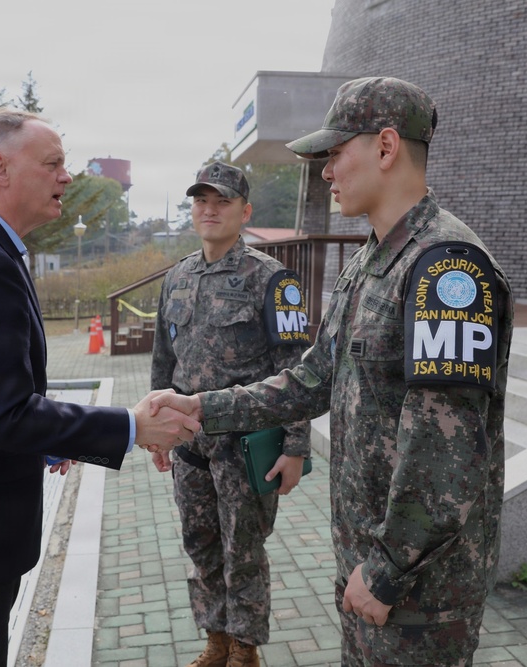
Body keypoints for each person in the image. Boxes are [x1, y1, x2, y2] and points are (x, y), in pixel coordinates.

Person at [153, 77, 514, 666]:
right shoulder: (372, 261)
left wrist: (388, 568)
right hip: (367, 560)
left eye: (335, 153)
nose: (325, 172)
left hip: (416, 588)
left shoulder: (446, 271)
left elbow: (444, 455)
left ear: (386, 146)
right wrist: (202, 409)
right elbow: (313, 377)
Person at [0, 108, 199, 667]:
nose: (67, 176)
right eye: (52, 163)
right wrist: (132, 425)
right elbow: (4, 415)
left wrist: (55, 439)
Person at [150, 161, 311, 667]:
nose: (210, 210)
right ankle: (215, 639)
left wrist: (295, 448)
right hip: (191, 448)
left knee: (244, 551)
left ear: (245, 211)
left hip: (247, 448)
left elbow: (297, 373)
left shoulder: (274, 280)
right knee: (200, 545)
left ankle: (245, 649)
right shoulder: (176, 277)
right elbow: (163, 361)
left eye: (221, 201)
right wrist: (157, 431)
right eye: (201, 201)